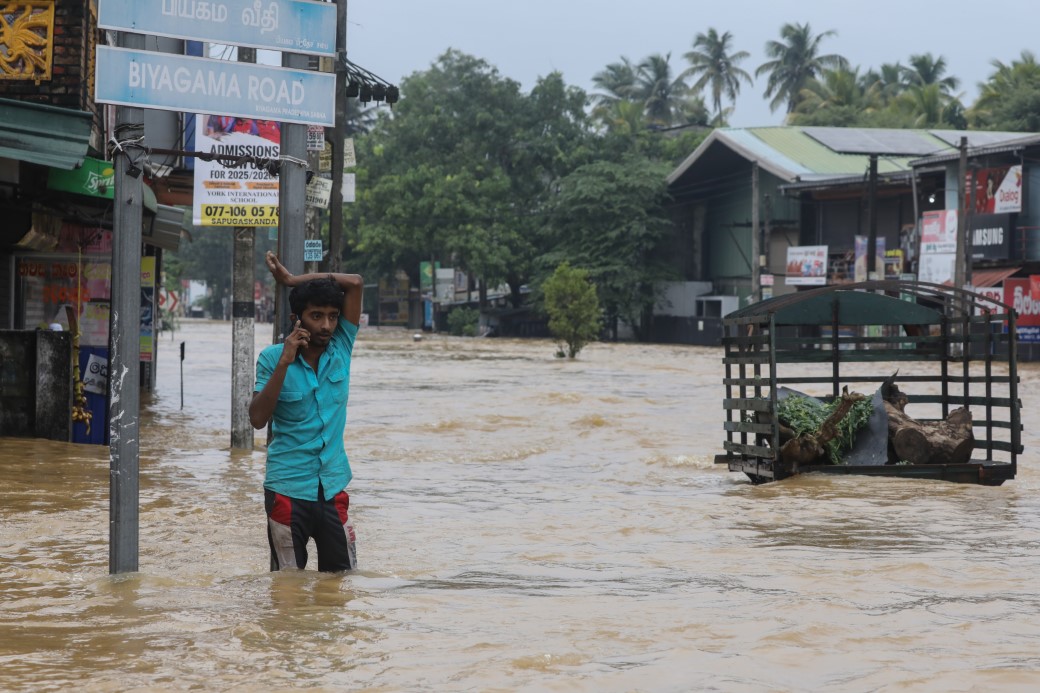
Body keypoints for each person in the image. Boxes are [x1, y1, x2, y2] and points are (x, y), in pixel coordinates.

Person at [249, 251, 364, 572]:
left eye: (332, 316)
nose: (326, 325)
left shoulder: (341, 346)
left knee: (342, 582)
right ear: (296, 320)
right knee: (288, 587)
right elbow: (257, 419)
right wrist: (285, 362)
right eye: (316, 316)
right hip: (287, 490)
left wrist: (291, 280)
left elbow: (355, 283)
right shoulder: (272, 358)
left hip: (333, 488)